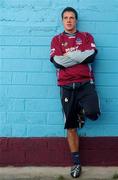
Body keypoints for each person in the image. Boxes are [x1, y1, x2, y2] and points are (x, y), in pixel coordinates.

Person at [50, 7, 100, 178]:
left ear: (76, 20)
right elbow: (57, 61)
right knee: (71, 127)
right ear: (62, 20)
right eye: (66, 18)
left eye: (72, 17)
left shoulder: (86, 37)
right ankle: (76, 163)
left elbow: (91, 56)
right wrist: (80, 55)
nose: (69, 20)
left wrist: (68, 58)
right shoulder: (56, 40)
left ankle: (82, 111)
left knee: (93, 113)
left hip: (86, 84)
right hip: (66, 86)